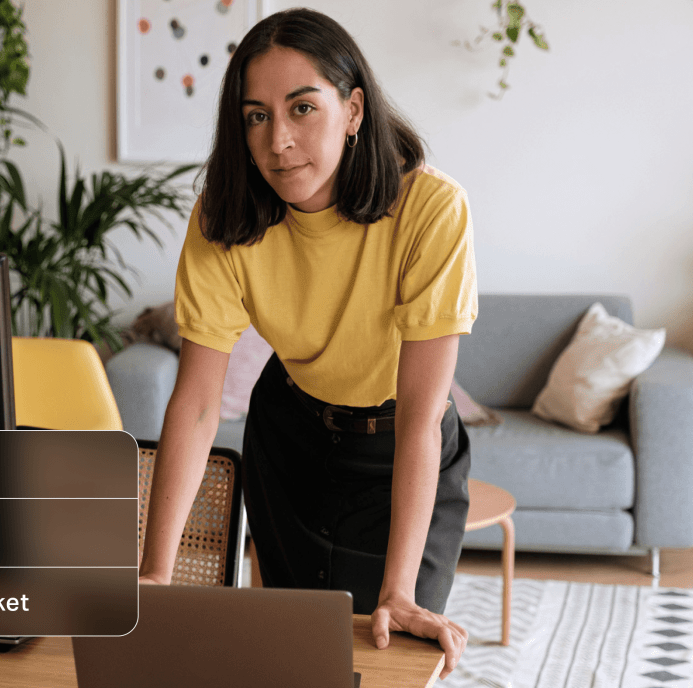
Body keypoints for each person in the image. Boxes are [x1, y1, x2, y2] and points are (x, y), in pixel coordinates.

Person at [138, 7, 476, 679]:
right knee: (291, 657)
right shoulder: (224, 219)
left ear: (353, 110)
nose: (279, 141)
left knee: (392, 654)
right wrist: (155, 572)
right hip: (289, 435)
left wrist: (399, 591)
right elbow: (199, 403)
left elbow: (419, 415)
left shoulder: (431, 210)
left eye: (302, 108)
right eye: (257, 116)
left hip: (399, 444)